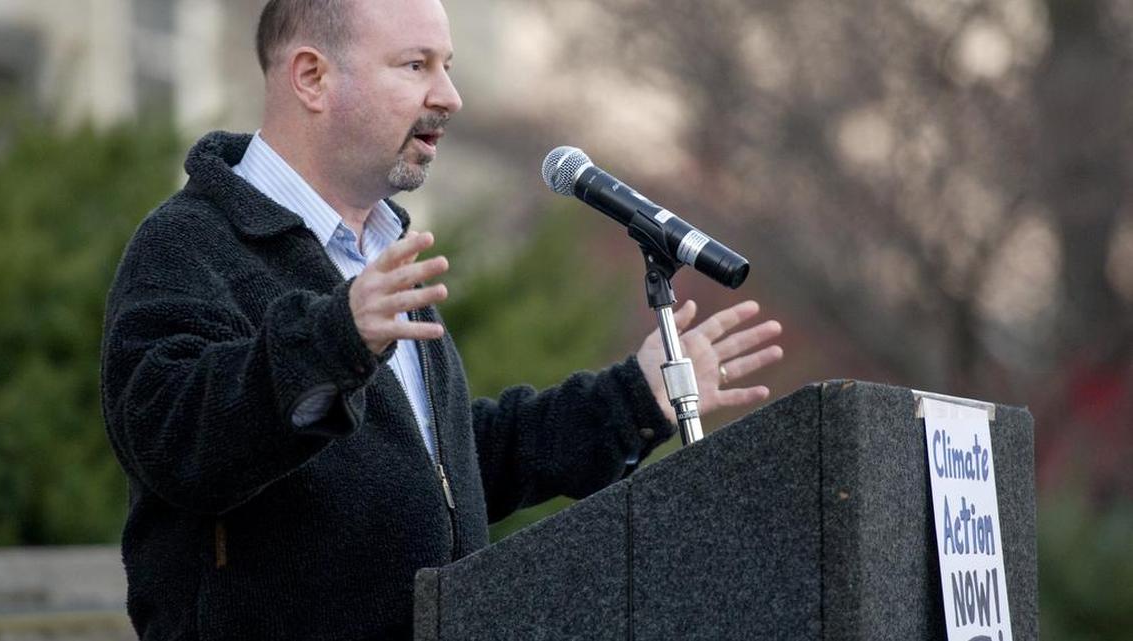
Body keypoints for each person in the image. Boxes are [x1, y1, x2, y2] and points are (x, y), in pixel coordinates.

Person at [99, 0, 784, 638]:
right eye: (416, 65)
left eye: (447, 67)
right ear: (311, 77)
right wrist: (334, 339)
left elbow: (448, 468)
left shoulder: (383, 252)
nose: (449, 97)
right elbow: (174, 438)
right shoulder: (189, 245)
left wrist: (634, 399)